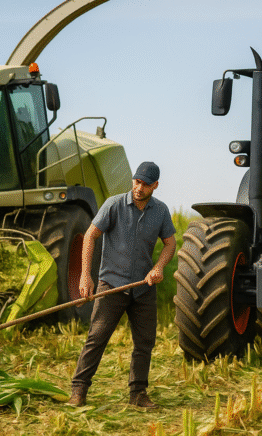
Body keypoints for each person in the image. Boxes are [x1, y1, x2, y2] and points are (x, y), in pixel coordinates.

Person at [68, 161, 176, 409]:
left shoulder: (160, 211)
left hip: (143, 287)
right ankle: (79, 390)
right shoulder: (113, 205)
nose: (139, 188)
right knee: (97, 338)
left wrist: (158, 268)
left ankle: (138, 394)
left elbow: (170, 243)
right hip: (112, 285)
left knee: (144, 343)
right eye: (136, 182)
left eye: (146, 184)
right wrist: (86, 276)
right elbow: (90, 236)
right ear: (133, 180)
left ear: (155, 186)